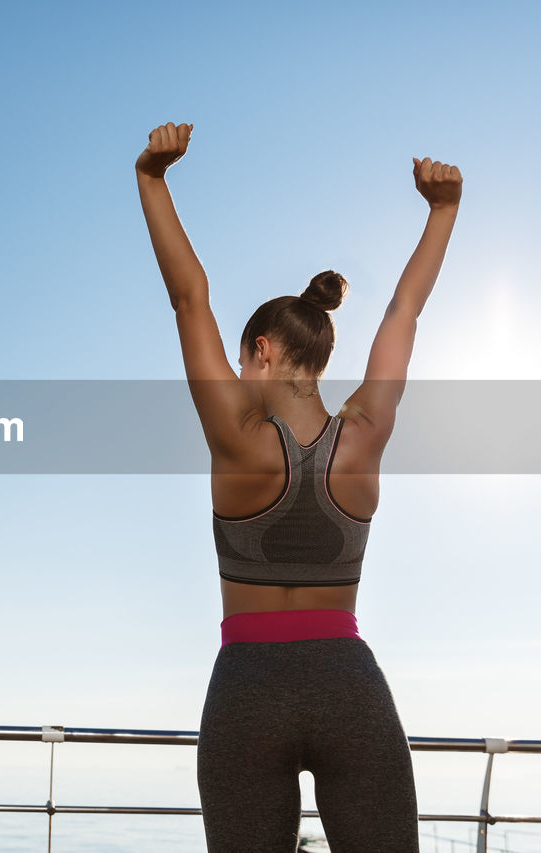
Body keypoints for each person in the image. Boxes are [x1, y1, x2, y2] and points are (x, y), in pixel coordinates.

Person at [135, 121, 462, 852]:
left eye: (246, 361)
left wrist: (152, 178)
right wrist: (443, 212)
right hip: (349, 685)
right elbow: (404, 312)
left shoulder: (236, 436)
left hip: (246, 690)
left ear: (263, 350)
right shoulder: (365, 433)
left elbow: (189, 299)